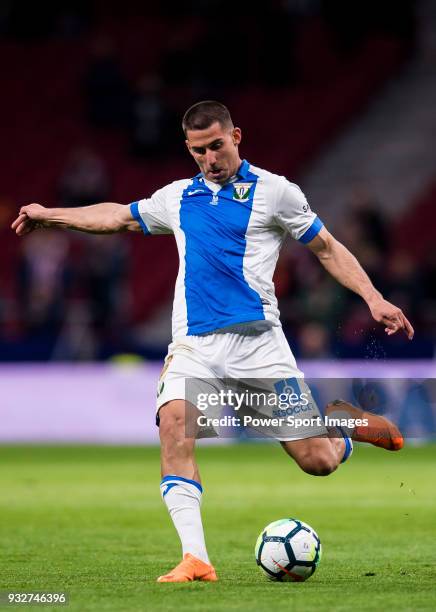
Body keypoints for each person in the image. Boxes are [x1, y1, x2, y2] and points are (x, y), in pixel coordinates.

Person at [12, 101, 414, 583]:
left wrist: (373, 297)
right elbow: (118, 217)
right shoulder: (178, 197)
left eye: (217, 146)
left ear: (236, 137)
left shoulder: (276, 192)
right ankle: (196, 558)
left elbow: (325, 247)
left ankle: (340, 422)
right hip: (194, 346)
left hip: (259, 346)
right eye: (199, 151)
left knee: (318, 461)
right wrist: (48, 215)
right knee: (175, 424)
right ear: (189, 149)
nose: (210, 159)